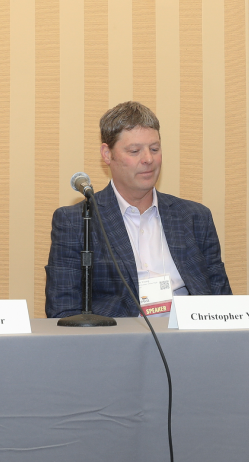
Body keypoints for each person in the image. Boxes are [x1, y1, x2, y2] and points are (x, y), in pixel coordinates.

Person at [45, 101, 232, 318]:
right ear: (107, 154)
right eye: (135, 151)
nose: (149, 159)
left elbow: (222, 302)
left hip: (188, 342)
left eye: (155, 149)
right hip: (117, 345)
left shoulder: (195, 218)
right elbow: (63, 312)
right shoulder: (77, 221)